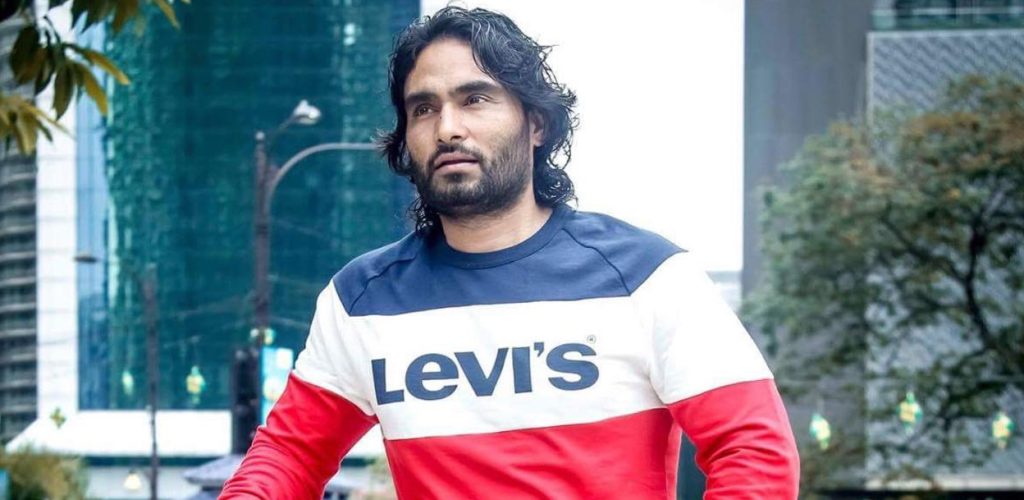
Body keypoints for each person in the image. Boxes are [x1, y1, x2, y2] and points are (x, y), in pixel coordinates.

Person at [221, 6, 799, 499]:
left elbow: (754, 450)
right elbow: (289, 457)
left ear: (536, 123)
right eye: (423, 108)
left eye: (475, 99)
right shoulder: (360, 299)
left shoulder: (649, 276)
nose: (448, 128)